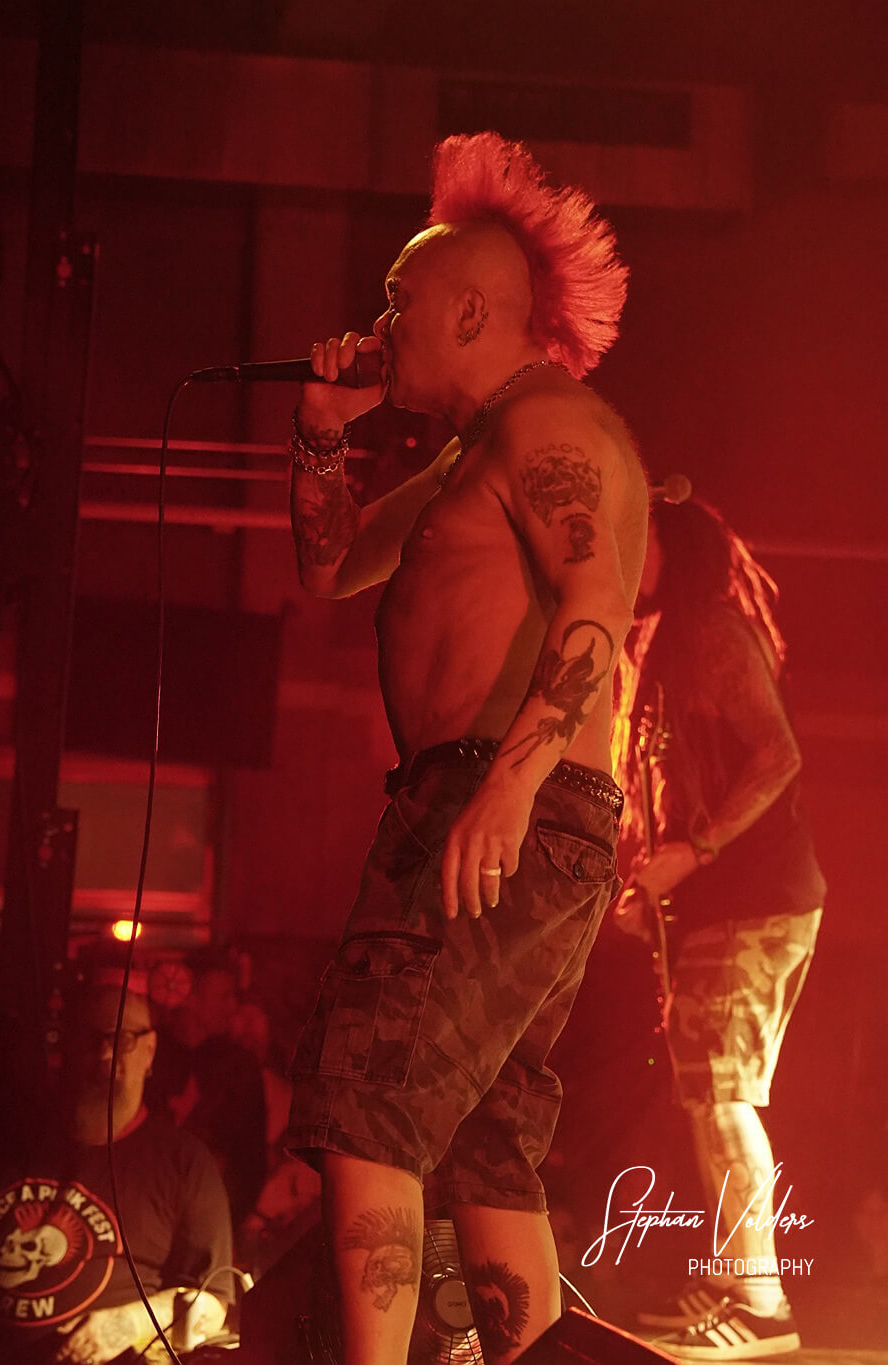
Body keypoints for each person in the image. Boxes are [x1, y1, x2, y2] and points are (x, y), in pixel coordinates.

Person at [283, 130, 645, 1365]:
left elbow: (594, 605)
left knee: (366, 1097)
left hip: (499, 797)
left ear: (472, 310)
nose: (379, 323)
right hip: (501, 801)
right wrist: (322, 430)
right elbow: (330, 567)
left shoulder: (546, 426)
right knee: (488, 1135)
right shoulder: (468, 453)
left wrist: (508, 786)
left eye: (399, 299)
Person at [613, 497, 825, 1358]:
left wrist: (693, 852)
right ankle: (739, 1280)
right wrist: (657, 876)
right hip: (722, 903)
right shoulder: (667, 641)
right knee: (708, 1096)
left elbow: (779, 753)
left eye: (643, 541)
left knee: (725, 1094)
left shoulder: (709, 630)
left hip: (755, 899)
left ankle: (764, 1303)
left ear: (680, 548)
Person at [0, 981, 233, 1363]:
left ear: (150, 1051)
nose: (105, 1052)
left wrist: (128, 1324)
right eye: (90, 1037)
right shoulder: (5, 1140)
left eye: (123, 1038)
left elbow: (212, 1303)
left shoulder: (184, 1164)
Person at [149, 957, 267, 1228]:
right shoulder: (153, 1054)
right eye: (224, 997)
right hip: (151, 1210)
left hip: (213, 1218)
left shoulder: (240, 1068)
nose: (233, 1007)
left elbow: (251, 1158)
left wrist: (229, 1223)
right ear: (191, 998)